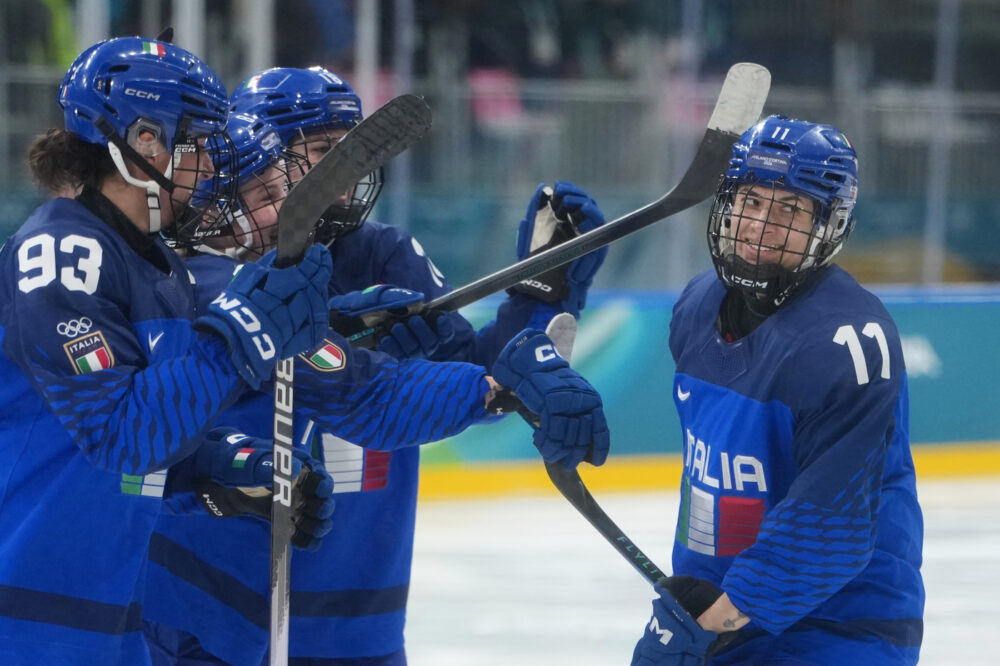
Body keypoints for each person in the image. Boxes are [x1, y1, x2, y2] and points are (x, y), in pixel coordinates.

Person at [143, 68, 611, 666]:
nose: (345, 180)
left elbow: (475, 373)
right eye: (322, 154)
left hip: (359, 611)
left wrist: (539, 298)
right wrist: (356, 337)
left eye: (355, 153)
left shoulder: (381, 251)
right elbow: (367, 388)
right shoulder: (197, 276)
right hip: (222, 609)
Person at [0, 37, 333, 664]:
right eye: (198, 142)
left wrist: (231, 469)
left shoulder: (158, 266)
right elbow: (119, 435)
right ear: (144, 141)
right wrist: (243, 332)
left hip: (113, 619)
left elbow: (148, 452)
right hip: (25, 620)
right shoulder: (61, 254)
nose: (210, 163)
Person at [629, 115, 924, 666]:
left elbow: (829, 528)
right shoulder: (697, 306)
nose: (761, 224)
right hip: (721, 613)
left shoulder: (845, 339)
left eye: (790, 209)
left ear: (828, 225)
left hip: (838, 629)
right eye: (752, 200)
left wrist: (703, 630)